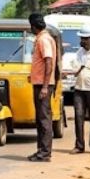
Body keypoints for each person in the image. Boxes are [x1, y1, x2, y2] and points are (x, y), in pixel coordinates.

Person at [28, 12, 56, 162]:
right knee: (40, 118)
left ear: (34, 26)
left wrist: (45, 86)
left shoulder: (44, 39)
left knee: (44, 119)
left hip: (43, 84)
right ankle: (41, 150)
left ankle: (45, 152)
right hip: (39, 82)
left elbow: (48, 62)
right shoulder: (41, 38)